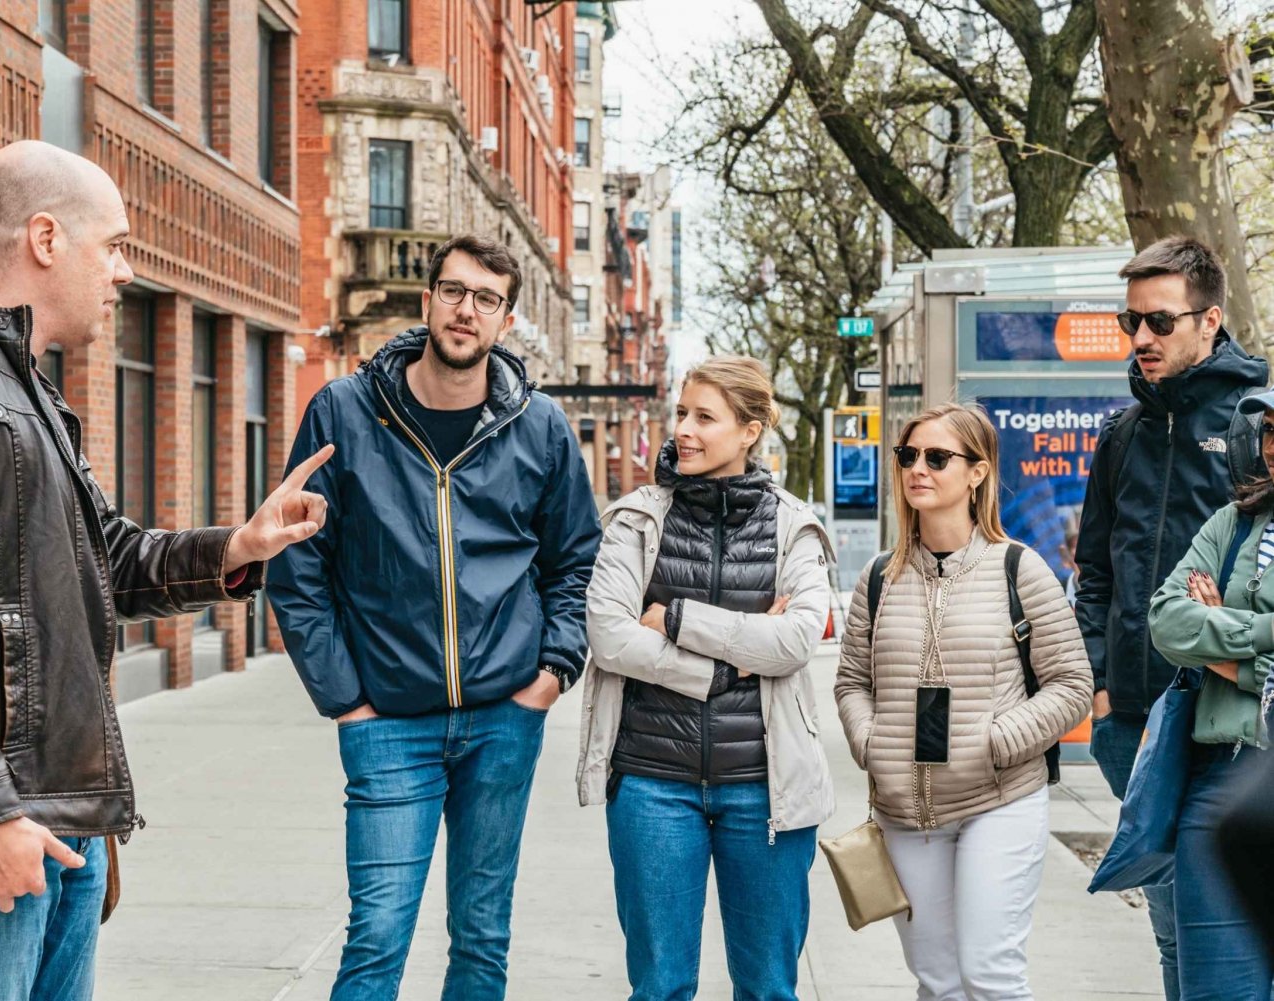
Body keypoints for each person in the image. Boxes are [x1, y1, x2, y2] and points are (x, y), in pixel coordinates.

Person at [0, 141, 332, 1001]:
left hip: (53, 820)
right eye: (115, 244)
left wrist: (238, 548)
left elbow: (109, 560)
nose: (124, 271)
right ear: (46, 238)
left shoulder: (26, 391)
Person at [266, 234, 601, 1000]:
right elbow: (296, 564)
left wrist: (550, 674)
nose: (467, 310)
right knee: (378, 934)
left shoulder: (540, 426)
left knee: (482, 937)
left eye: (486, 298)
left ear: (506, 320)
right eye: (454, 291)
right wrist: (346, 699)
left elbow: (576, 560)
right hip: (387, 721)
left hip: (504, 718)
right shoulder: (345, 413)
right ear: (427, 303)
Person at [576, 357, 837, 1001]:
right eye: (682, 413)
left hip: (766, 790)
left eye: (705, 417)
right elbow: (609, 635)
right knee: (660, 986)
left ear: (750, 431)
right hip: (651, 784)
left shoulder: (792, 525)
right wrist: (728, 666)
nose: (684, 431)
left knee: (769, 988)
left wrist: (678, 619)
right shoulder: (637, 518)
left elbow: (799, 637)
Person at [835, 403, 1093, 1000]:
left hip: (996, 801)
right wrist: (872, 745)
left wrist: (999, 741)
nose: (917, 469)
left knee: (989, 974)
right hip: (906, 812)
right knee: (938, 980)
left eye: (936, 457)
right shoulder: (878, 578)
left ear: (977, 472)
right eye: (908, 456)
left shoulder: (1019, 569)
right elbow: (851, 682)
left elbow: (1073, 684)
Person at [1073, 236, 1268, 998]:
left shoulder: (1257, 425)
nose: (1142, 340)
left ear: (1209, 319)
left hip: (1229, 719)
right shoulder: (1122, 433)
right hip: (1133, 721)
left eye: (1158, 322)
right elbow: (1094, 570)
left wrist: (1233, 658)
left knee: (1229, 929)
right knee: (1168, 922)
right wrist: (1099, 682)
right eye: (1131, 324)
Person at [1145, 389, 1274, 999]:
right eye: (1270, 431)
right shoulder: (1234, 522)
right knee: (1219, 989)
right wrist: (1261, 646)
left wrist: (1222, 649)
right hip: (1222, 779)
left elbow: (1197, 637)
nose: (1273, 447)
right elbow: (1168, 621)